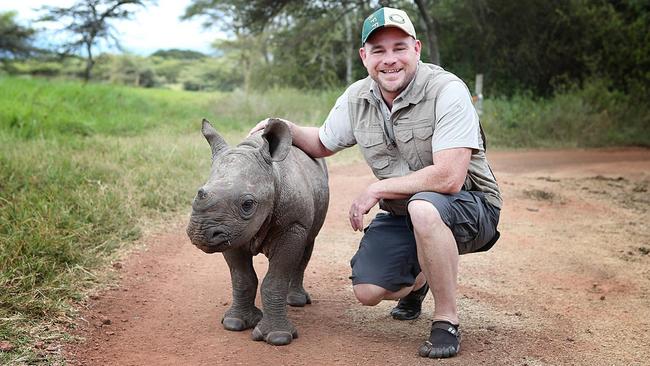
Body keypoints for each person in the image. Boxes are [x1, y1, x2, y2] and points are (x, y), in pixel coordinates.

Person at [250, 6, 501, 359]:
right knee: (368, 291)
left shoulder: (448, 90)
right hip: (405, 213)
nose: (390, 60)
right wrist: (281, 126)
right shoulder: (357, 97)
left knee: (424, 207)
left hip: (471, 207)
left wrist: (377, 188)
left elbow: (449, 177)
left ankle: (446, 321)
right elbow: (323, 142)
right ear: (364, 56)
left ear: (417, 48)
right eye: (379, 51)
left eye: (399, 47)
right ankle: (420, 280)